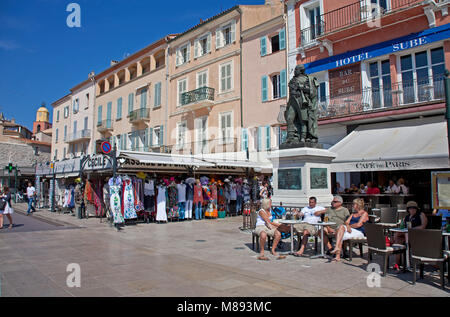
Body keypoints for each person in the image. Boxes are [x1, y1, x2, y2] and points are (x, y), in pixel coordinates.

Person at [393, 201, 428, 271]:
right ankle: (398, 263)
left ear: (416, 209)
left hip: (418, 236)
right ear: (408, 209)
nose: (412, 210)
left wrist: (412, 229)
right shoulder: (407, 217)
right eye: (410, 208)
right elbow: (403, 227)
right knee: (398, 239)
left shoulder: (421, 215)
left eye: (414, 208)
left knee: (397, 236)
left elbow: (423, 226)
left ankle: (399, 262)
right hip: (407, 236)